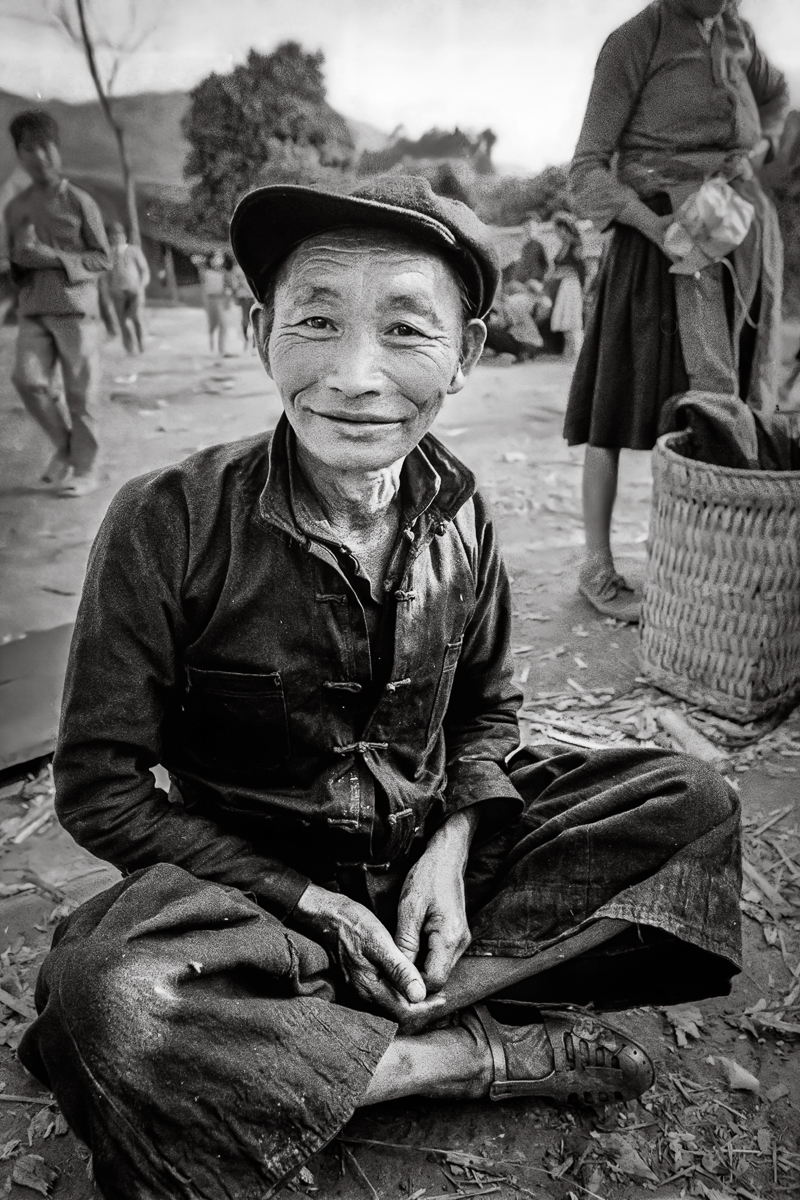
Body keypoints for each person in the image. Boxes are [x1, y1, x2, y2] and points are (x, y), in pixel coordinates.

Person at [19, 176, 742, 1200]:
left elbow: (488, 711)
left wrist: (449, 851)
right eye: (316, 320)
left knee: (692, 801)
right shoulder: (163, 522)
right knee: (109, 997)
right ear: (266, 334)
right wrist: (310, 902)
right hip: (252, 889)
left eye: (404, 330)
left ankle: (351, 1025)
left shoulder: (461, 510)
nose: (354, 376)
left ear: (468, 353)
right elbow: (99, 786)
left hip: (427, 867)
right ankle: (457, 1056)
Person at [563, 0, 789, 621]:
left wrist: (755, 155)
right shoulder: (636, 40)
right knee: (616, 409)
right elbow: (585, 171)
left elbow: (776, 95)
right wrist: (653, 223)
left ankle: (707, 562)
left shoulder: (737, 33)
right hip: (658, 250)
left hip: (736, 238)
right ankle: (598, 567)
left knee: (730, 408)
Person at [4, 110, 111, 497]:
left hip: (76, 310)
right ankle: (67, 448)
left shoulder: (80, 202)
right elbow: (15, 264)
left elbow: (103, 258)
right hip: (32, 309)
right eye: (28, 148)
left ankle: (86, 468)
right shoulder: (14, 208)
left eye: (46, 146)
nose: (39, 156)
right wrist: (18, 259)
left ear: (57, 151)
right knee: (27, 381)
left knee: (80, 395)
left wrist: (49, 257)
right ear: (20, 155)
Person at [107, 221, 149, 354]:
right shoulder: (109, 253)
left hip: (134, 290)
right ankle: (129, 348)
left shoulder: (133, 250)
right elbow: (106, 275)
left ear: (124, 235)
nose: (116, 237)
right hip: (117, 292)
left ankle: (141, 346)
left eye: (118, 234)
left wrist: (141, 286)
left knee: (136, 318)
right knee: (122, 321)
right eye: (113, 235)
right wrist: (108, 290)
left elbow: (144, 270)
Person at [548, 213, 586, 360]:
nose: (557, 233)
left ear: (564, 228)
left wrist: (565, 272)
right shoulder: (562, 246)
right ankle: (568, 352)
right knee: (564, 320)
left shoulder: (576, 245)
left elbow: (582, 268)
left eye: (558, 230)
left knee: (573, 319)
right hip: (563, 286)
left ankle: (576, 353)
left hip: (573, 285)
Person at [194, 248, 235, 356]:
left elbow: (229, 288)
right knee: (213, 326)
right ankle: (213, 349)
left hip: (221, 301)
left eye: (220, 257)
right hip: (211, 301)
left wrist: (228, 299)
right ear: (211, 259)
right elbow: (196, 261)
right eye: (216, 257)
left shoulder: (225, 273)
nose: (218, 259)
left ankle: (221, 350)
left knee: (223, 325)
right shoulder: (206, 272)